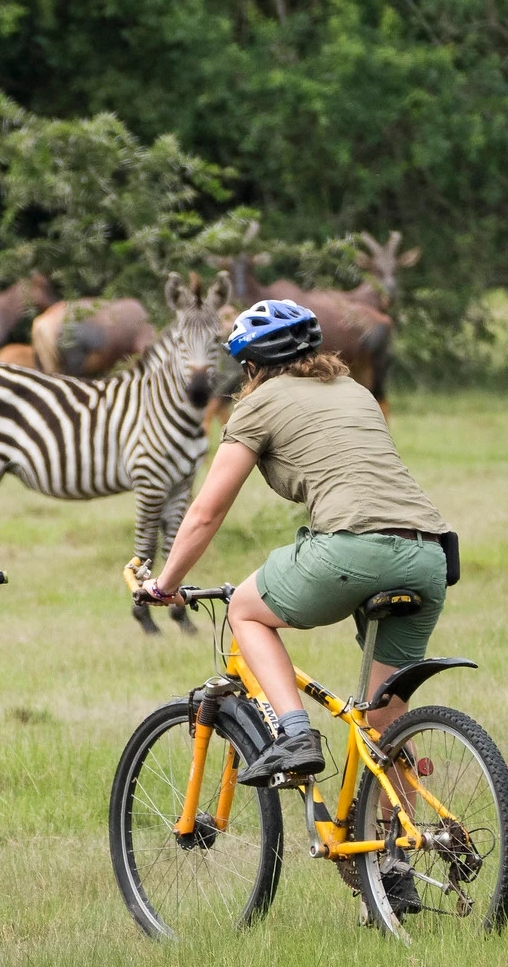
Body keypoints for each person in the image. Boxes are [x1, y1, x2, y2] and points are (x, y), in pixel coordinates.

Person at [138, 299, 451, 789]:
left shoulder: (259, 403)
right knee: (384, 721)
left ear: (250, 365)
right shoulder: (356, 391)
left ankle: (296, 734)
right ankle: (401, 838)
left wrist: (164, 585)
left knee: (245, 610)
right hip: (430, 555)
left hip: (351, 548)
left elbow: (206, 512)